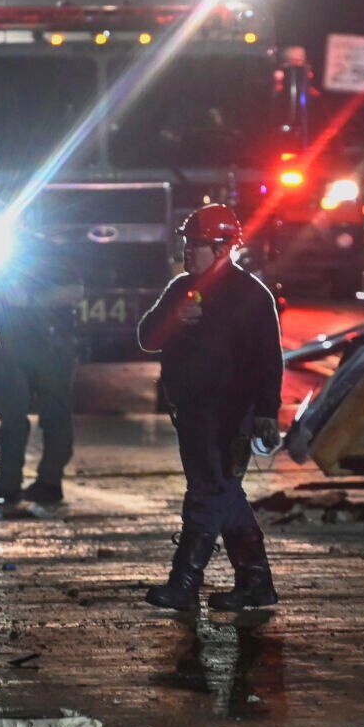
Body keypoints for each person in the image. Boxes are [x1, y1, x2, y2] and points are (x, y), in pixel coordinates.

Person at [137, 204, 282, 611]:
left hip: (231, 416)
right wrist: (175, 319)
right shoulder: (179, 289)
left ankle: (184, 583)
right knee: (224, 494)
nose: (188, 251)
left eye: (197, 244)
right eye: (187, 242)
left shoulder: (250, 295)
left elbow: (268, 360)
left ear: (223, 248)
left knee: (207, 492)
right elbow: (147, 337)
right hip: (192, 413)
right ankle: (256, 584)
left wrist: (267, 414)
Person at [0, 226, 82, 507]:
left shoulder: (47, 252)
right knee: (11, 416)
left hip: (50, 344)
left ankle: (49, 482)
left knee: (54, 416)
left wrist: (31, 301)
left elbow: (75, 291)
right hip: (12, 345)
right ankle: (8, 483)